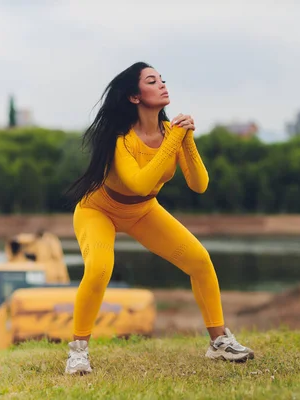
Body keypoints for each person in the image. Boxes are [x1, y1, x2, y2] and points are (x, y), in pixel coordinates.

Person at [63, 62, 254, 375]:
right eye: (152, 81)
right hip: (99, 210)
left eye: (162, 79)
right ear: (135, 97)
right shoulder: (120, 139)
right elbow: (138, 181)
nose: (163, 85)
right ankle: (78, 351)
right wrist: (173, 140)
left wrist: (186, 139)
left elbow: (199, 184)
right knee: (99, 269)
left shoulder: (171, 133)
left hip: (143, 210)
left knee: (200, 260)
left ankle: (219, 341)